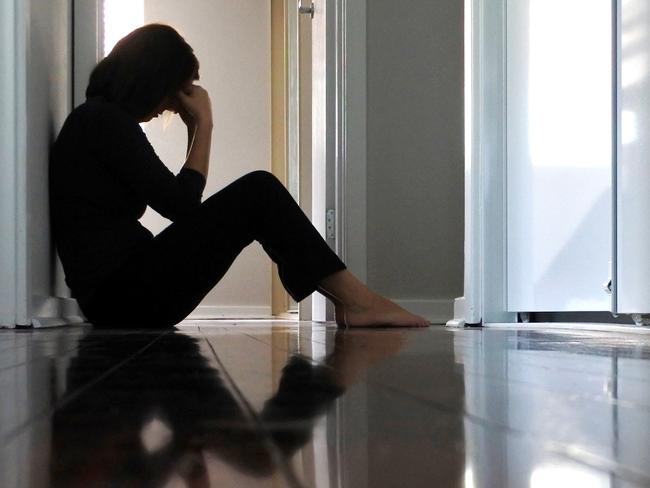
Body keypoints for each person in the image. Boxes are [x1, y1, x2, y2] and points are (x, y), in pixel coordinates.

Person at [50, 24, 429, 329]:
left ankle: (351, 300)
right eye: (173, 93)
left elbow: (179, 203)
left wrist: (198, 126)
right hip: (122, 298)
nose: (169, 106)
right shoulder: (103, 121)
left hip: (121, 296)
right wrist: (204, 124)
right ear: (152, 80)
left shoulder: (97, 121)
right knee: (258, 191)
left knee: (258, 192)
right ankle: (356, 300)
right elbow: (181, 205)